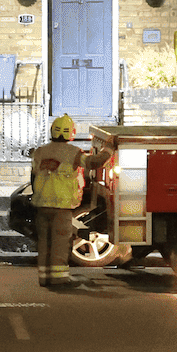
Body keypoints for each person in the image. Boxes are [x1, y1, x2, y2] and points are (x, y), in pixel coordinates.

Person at [30, 114, 114, 288]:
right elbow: (94, 162)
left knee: (45, 244)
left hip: (41, 207)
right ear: (71, 133)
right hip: (61, 208)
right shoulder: (73, 153)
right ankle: (59, 279)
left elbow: (34, 176)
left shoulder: (40, 152)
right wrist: (109, 149)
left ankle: (45, 278)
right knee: (60, 244)